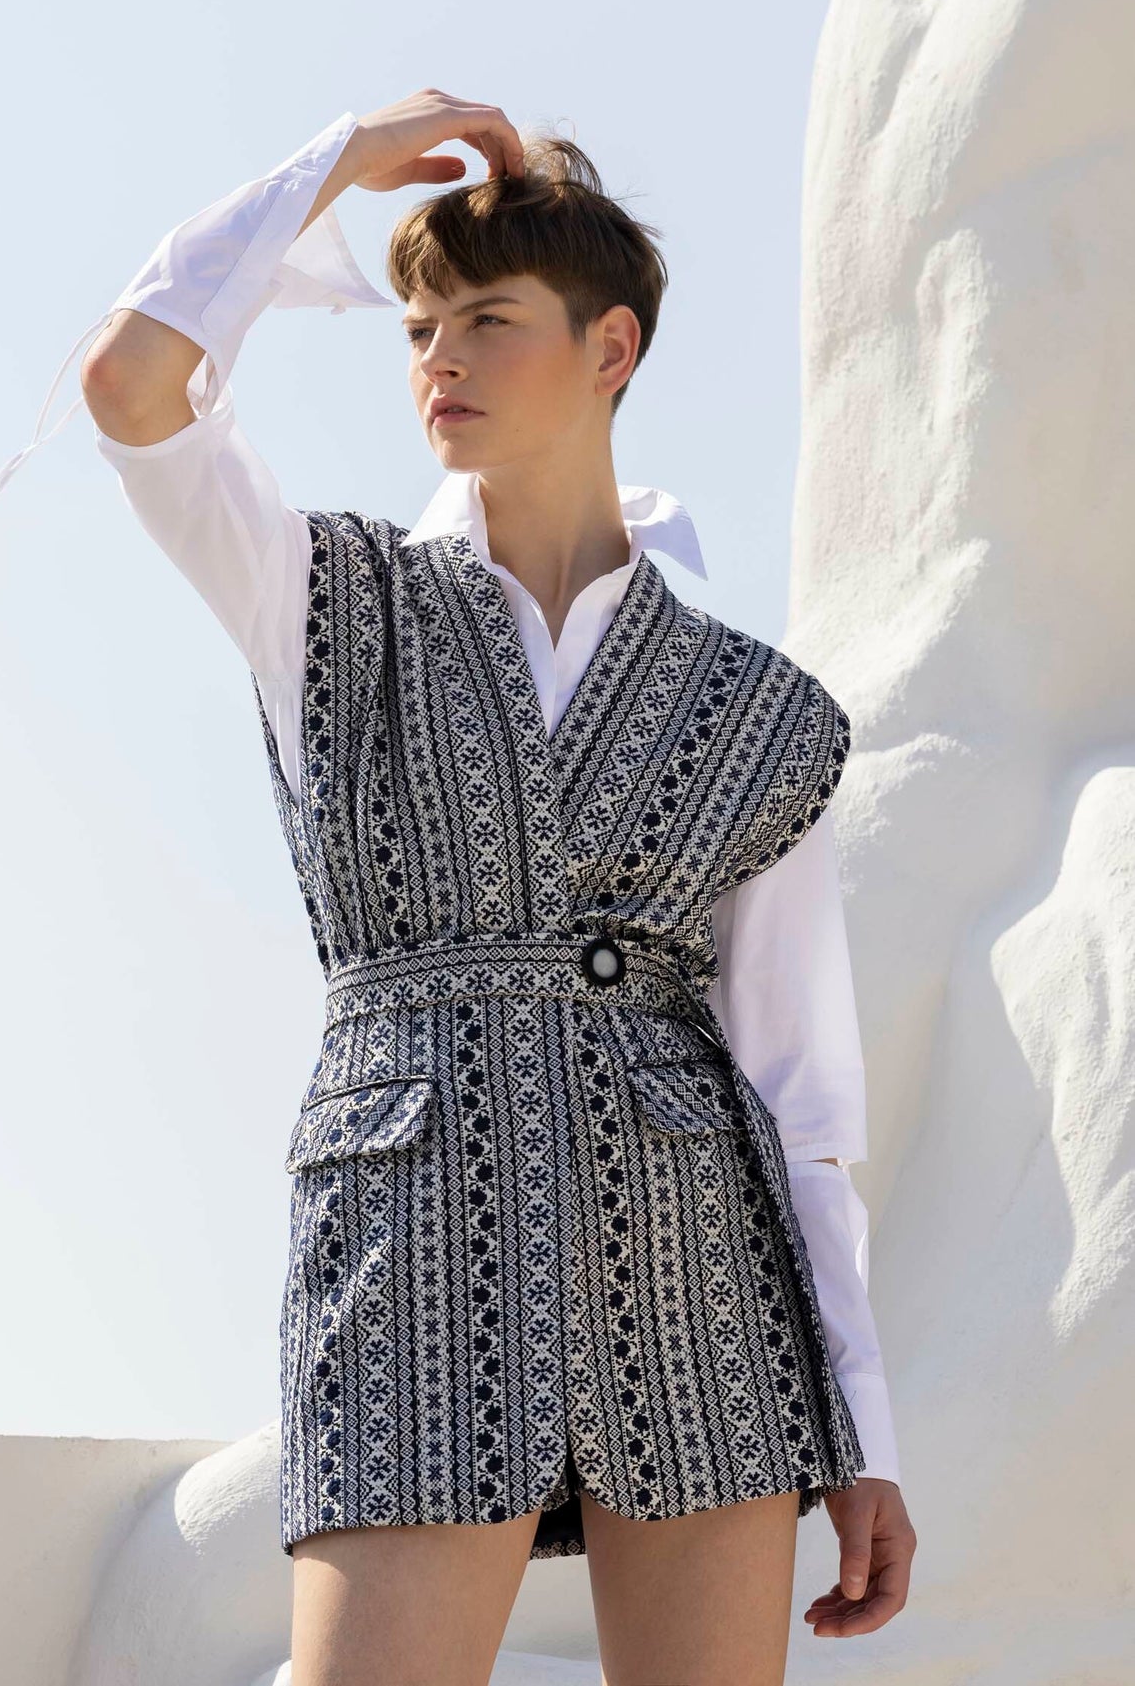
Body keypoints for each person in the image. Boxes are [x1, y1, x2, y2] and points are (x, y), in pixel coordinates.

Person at [87, 85, 916, 1685]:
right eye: (414, 326)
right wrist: (335, 161)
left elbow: (805, 1101)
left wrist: (862, 1432)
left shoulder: (765, 715)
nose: (436, 361)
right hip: (410, 1229)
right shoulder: (319, 597)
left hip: (698, 1268)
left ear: (611, 350)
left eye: (485, 317)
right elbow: (135, 384)